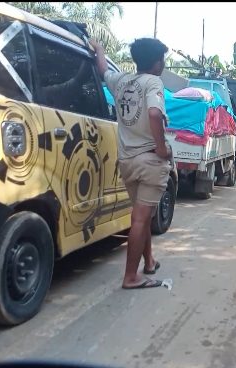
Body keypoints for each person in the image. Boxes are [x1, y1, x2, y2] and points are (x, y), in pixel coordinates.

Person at [91, 37, 171, 290]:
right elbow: (155, 113)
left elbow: (103, 70)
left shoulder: (122, 80)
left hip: (127, 161)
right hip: (149, 160)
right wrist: (161, 148)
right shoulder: (153, 82)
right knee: (140, 219)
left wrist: (100, 50)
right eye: (163, 60)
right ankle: (130, 276)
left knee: (142, 215)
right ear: (157, 63)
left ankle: (148, 261)